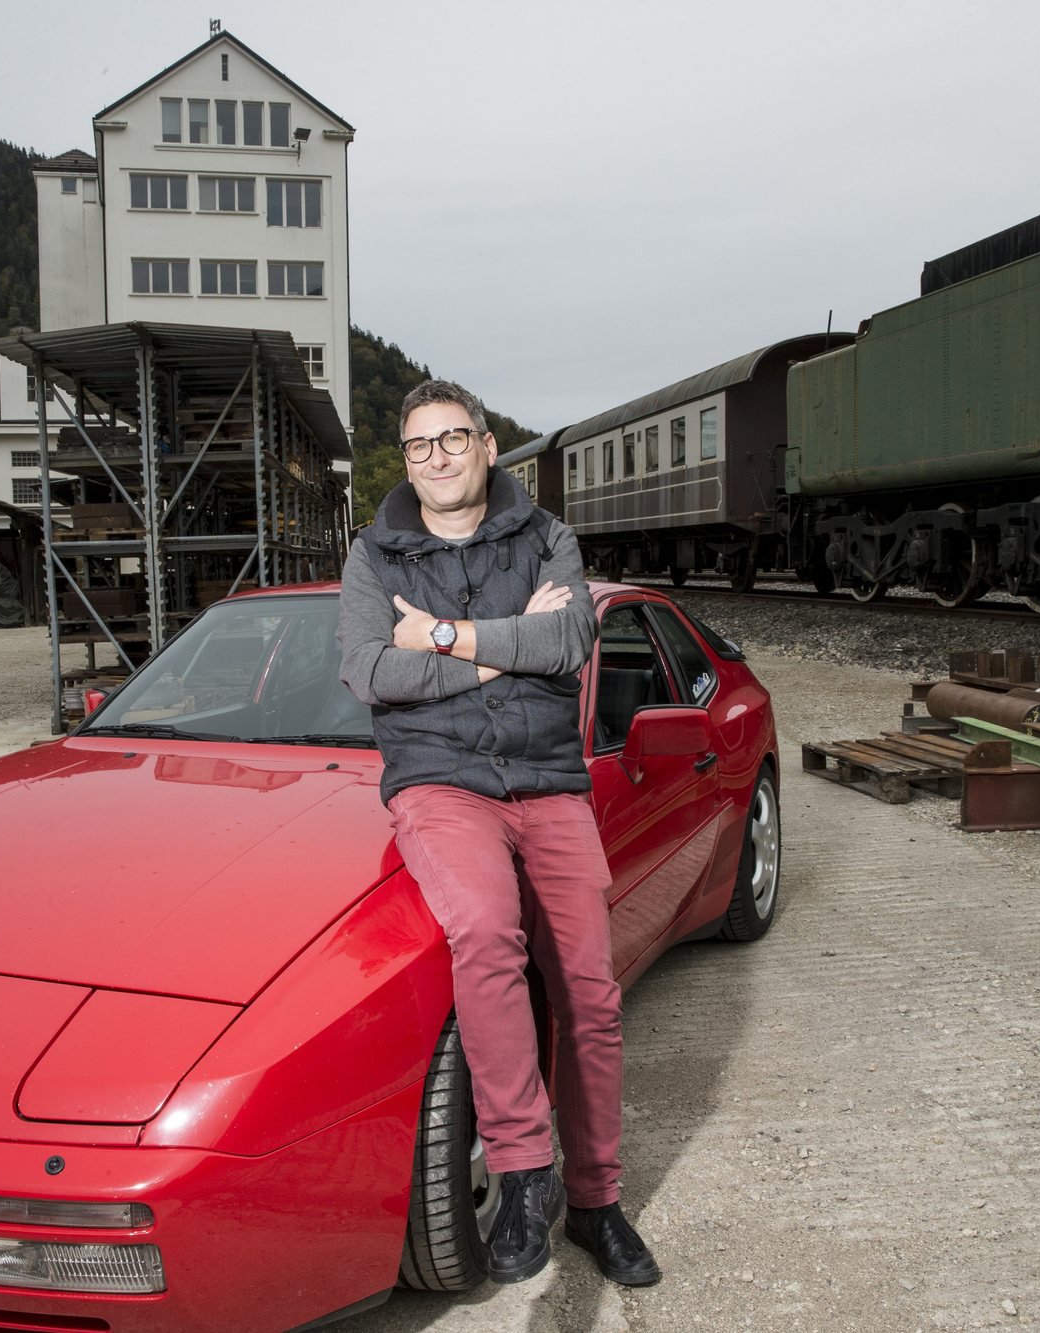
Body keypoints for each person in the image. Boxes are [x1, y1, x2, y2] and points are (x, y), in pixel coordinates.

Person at [337, 380, 660, 1287]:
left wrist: (439, 636)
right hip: (442, 785)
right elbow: (368, 671)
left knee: (592, 990)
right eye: (418, 446)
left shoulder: (548, 537)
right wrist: (500, 646)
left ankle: (597, 1199)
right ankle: (525, 1173)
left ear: (487, 447)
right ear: (406, 461)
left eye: (453, 439)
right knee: (483, 931)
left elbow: (567, 647)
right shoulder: (376, 554)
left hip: (550, 785)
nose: (436, 457)